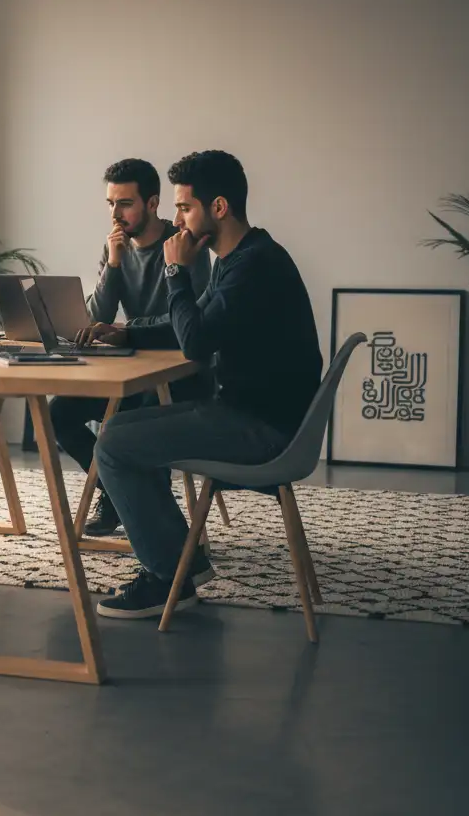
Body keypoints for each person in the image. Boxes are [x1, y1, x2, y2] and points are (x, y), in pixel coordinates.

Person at [78, 150, 323, 619]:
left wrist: (173, 272)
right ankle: (178, 565)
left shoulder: (252, 267)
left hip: (262, 429)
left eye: (184, 208)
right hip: (248, 412)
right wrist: (127, 334)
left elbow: (193, 344)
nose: (176, 220)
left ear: (219, 208)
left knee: (113, 442)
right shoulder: (245, 258)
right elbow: (188, 325)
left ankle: (170, 574)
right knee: (128, 430)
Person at [49, 158, 210, 537]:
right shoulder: (115, 248)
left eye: (125, 204)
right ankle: (115, 492)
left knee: (126, 424)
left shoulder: (184, 245)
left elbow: (189, 321)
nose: (115, 215)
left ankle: (151, 512)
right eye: (110, 204)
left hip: (180, 374)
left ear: (152, 203)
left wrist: (128, 329)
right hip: (133, 370)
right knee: (60, 412)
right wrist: (115, 264)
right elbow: (95, 318)